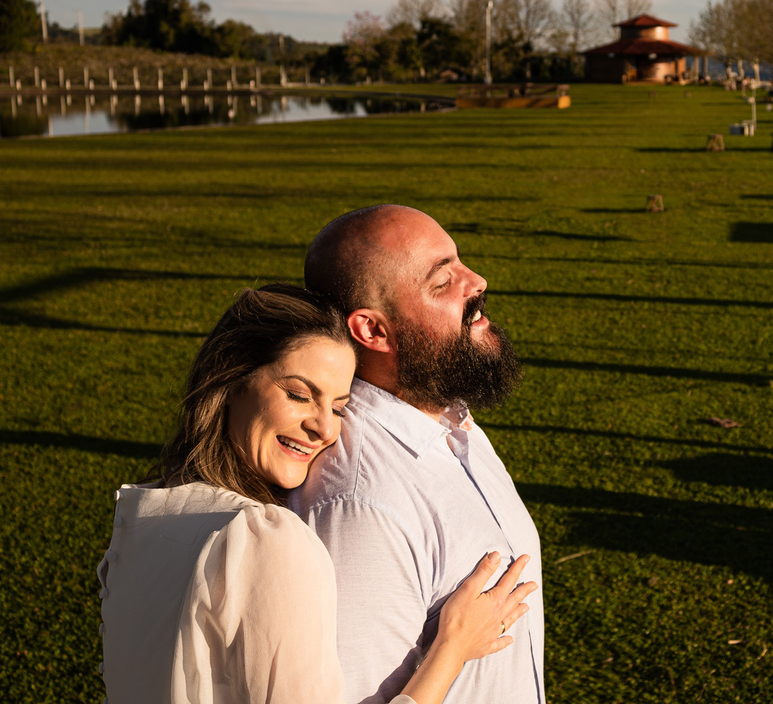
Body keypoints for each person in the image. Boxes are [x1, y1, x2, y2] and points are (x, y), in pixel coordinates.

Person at [96, 284, 536, 704]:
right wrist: (452, 647)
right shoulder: (267, 541)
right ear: (230, 381)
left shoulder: (149, 516)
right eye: (298, 394)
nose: (324, 427)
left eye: (340, 407)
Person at [293, 205, 543, 704]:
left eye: (460, 263)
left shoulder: (451, 422)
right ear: (374, 331)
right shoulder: (359, 505)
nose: (478, 282)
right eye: (442, 281)